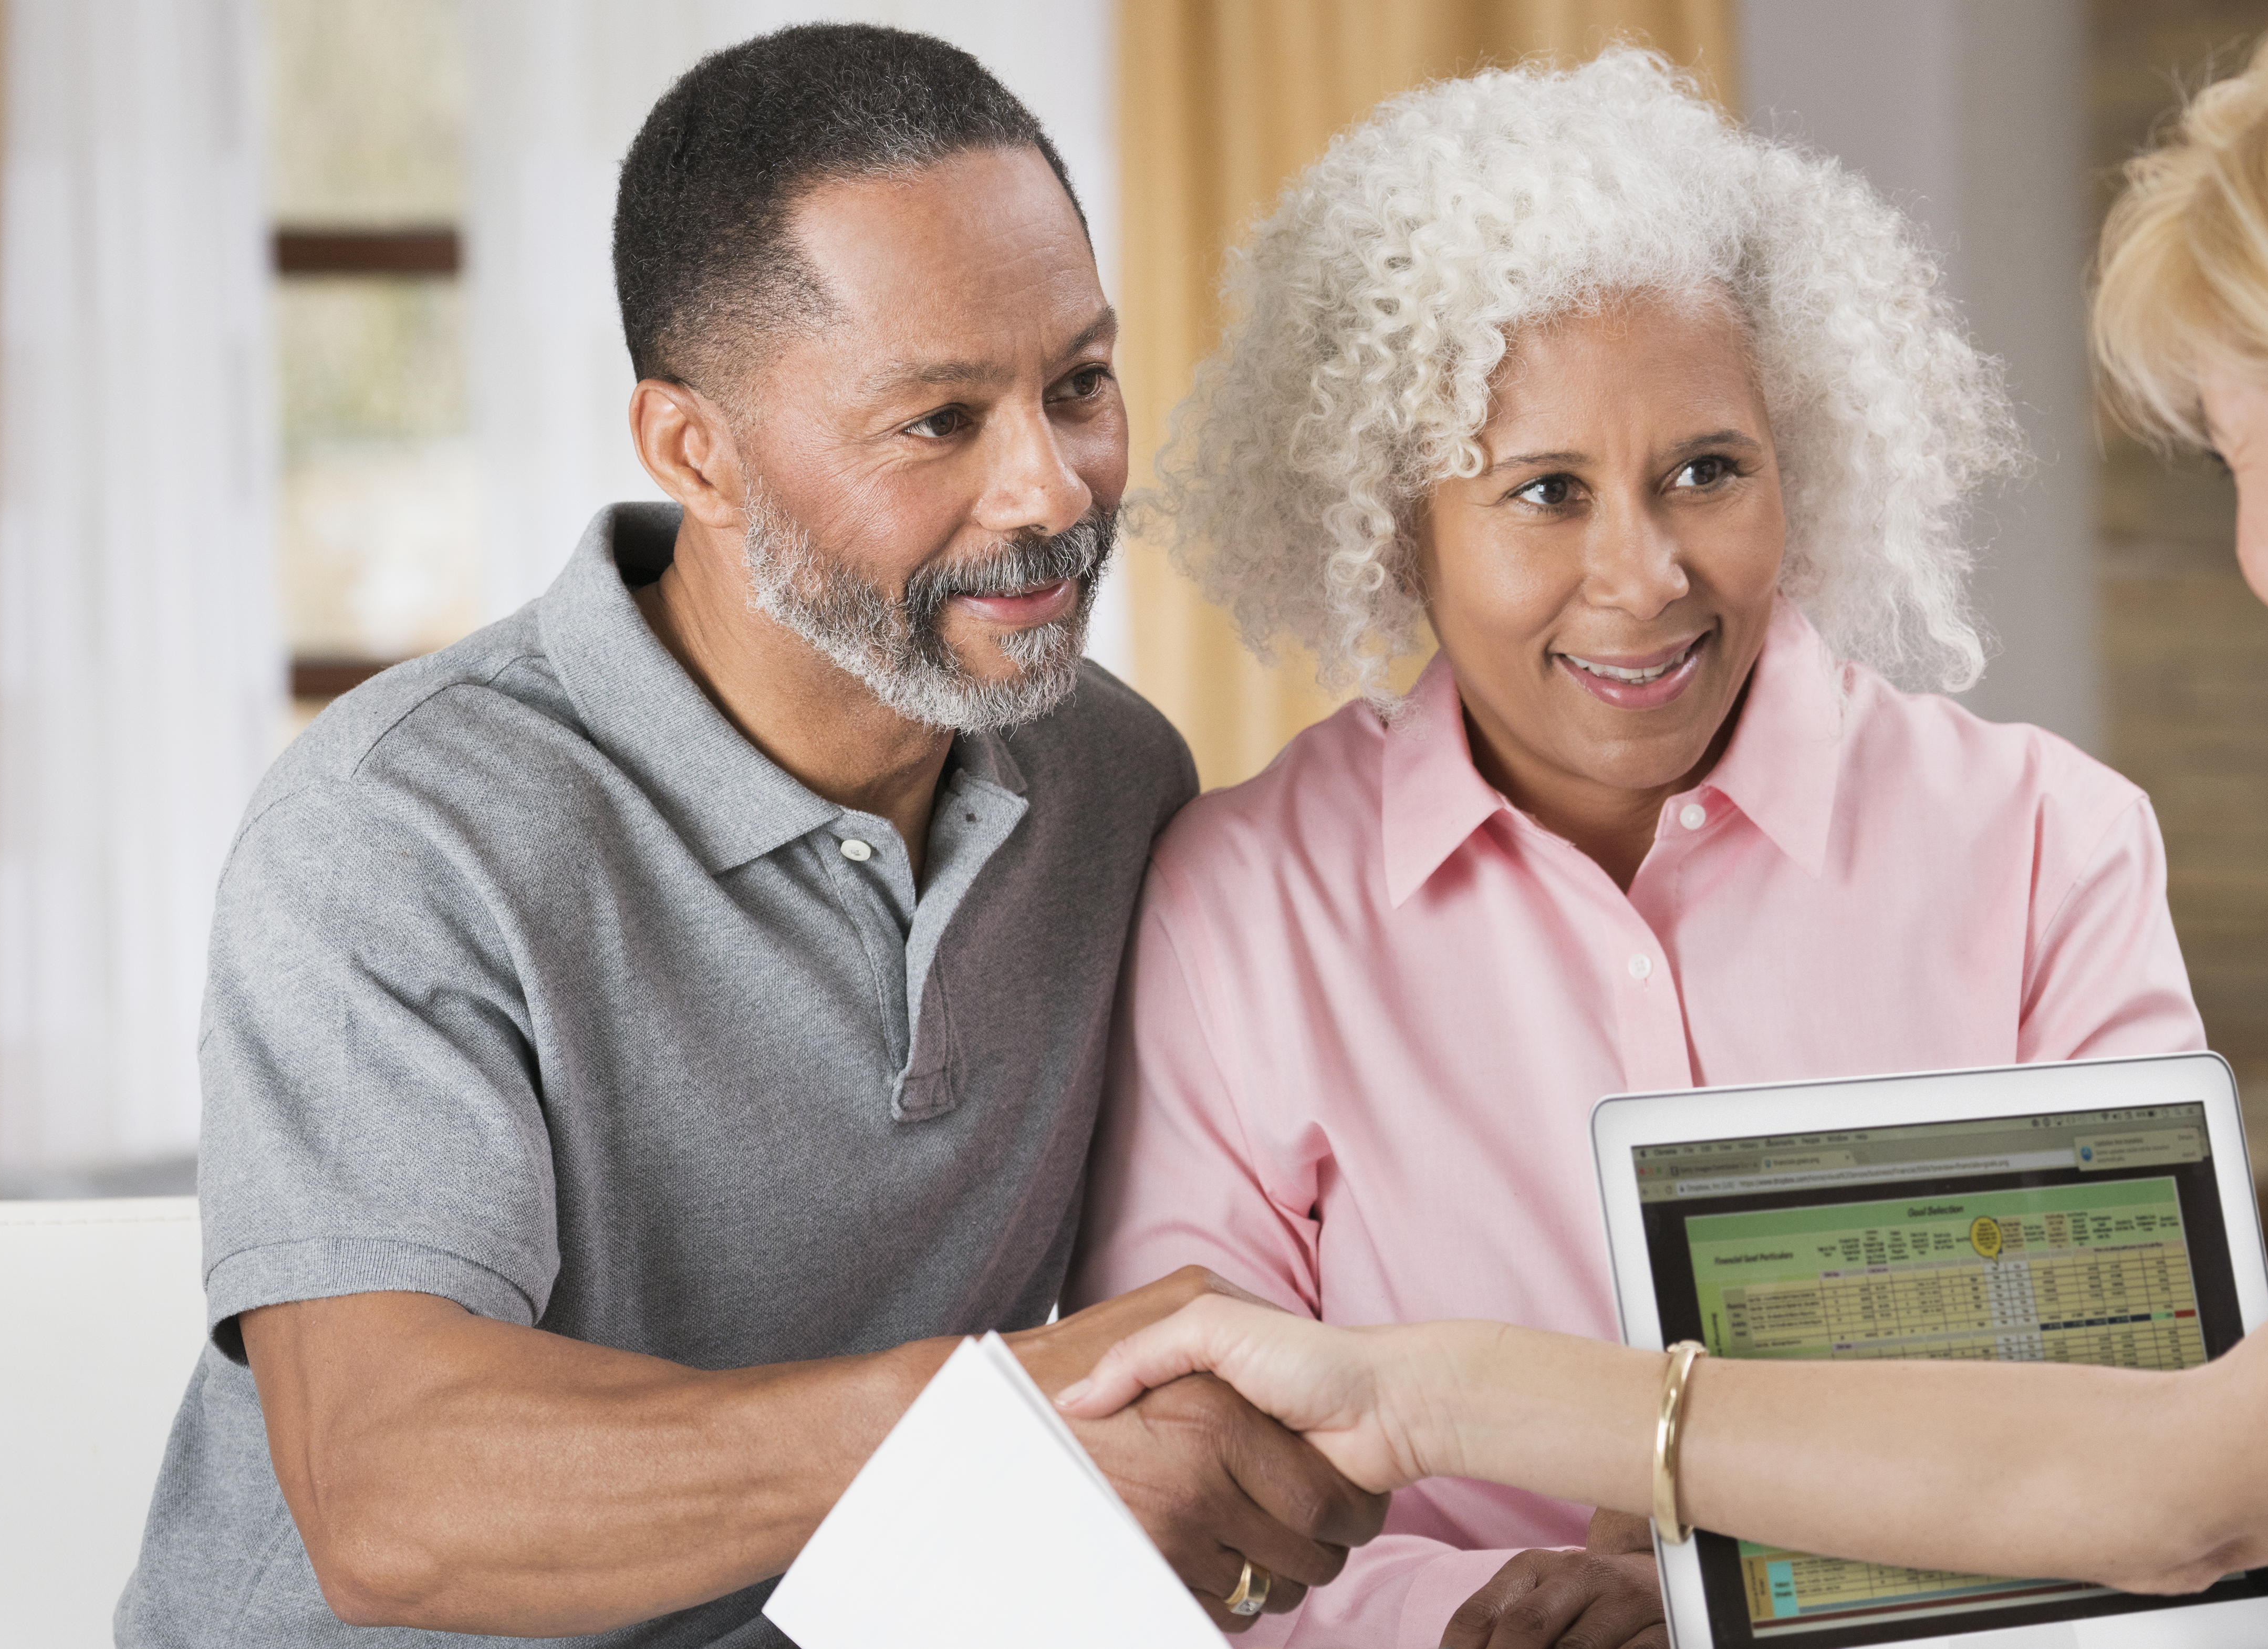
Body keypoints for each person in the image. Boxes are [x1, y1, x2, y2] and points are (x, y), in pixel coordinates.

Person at [1059, 1, 2268, 1643]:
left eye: (1710, 469)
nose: (1642, 577)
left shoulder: (2047, 838)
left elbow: (2180, 1468)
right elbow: (2175, 1470)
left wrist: (1682, 1565)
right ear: (1387, 518)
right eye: (1544, 490)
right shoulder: (1245, 904)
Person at [115, 25, 1388, 1647]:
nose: (1051, 491)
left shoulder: (1113, 777)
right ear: (692, 452)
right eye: (938, 421)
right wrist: (1002, 1413)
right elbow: (394, 1498)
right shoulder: (398, 832)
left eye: (1078, 382)